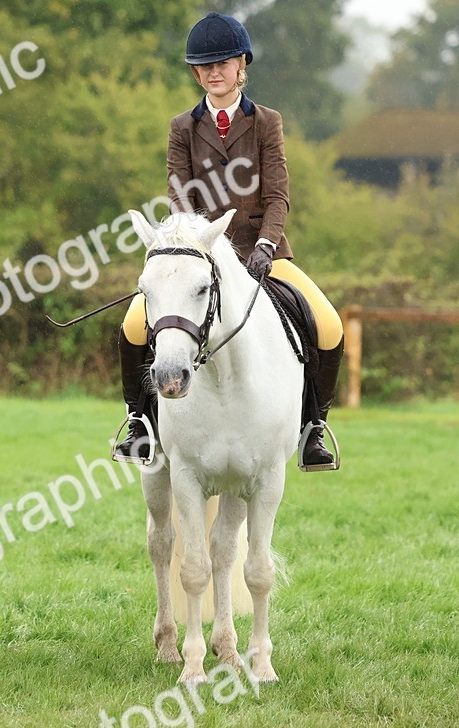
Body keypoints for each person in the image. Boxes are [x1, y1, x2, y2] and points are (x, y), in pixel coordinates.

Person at [113, 11, 344, 469]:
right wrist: (196, 244)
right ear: (196, 73)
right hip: (199, 254)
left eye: (223, 63)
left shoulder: (266, 122)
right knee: (133, 327)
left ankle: (313, 428)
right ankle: (139, 421)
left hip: (263, 252)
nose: (214, 72)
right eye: (205, 66)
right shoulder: (182, 127)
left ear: (242, 66)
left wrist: (265, 245)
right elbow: (180, 196)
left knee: (330, 326)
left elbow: (277, 196)